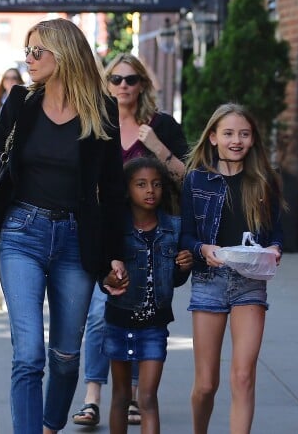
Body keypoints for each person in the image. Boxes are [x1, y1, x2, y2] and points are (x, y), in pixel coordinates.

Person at [0, 18, 129, 434]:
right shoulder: (20, 102)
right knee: (29, 354)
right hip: (23, 233)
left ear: (64, 55)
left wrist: (115, 255)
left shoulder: (101, 110)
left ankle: (49, 425)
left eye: (38, 52)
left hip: (76, 240)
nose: (29, 60)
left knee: (67, 355)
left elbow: (113, 190)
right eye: (27, 51)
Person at [72, 53, 189, 428]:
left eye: (131, 79)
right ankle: (93, 395)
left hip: (152, 236)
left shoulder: (162, 126)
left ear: (143, 85)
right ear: (106, 84)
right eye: (116, 79)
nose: (123, 85)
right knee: (97, 315)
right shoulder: (95, 124)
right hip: (106, 232)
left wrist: (155, 144)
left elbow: (187, 177)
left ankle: (138, 394)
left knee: (146, 309)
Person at [180, 103, 284, 434]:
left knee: (242, 376)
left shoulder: (266, 181)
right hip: (209, 279)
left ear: (253, 139)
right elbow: (184, 232)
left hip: (250, 280)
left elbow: (276, 233)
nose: (235, 140)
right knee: (206, 384)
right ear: (212, 137)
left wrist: (275, 248)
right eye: (228, 133)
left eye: (243, 133)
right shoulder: (196, 179)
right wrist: (200, 248)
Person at [102, 156, 192, 433]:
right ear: (127, 189)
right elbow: (102, 273)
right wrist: (106, 277)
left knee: (148, 397)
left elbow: (174, 280)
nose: (150, 190)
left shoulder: (173, 228)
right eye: (141, 184)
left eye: (155, 184)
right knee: (120, 396)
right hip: (118, 322)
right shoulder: (116, 229)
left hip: (155, 325)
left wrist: (184, 267)